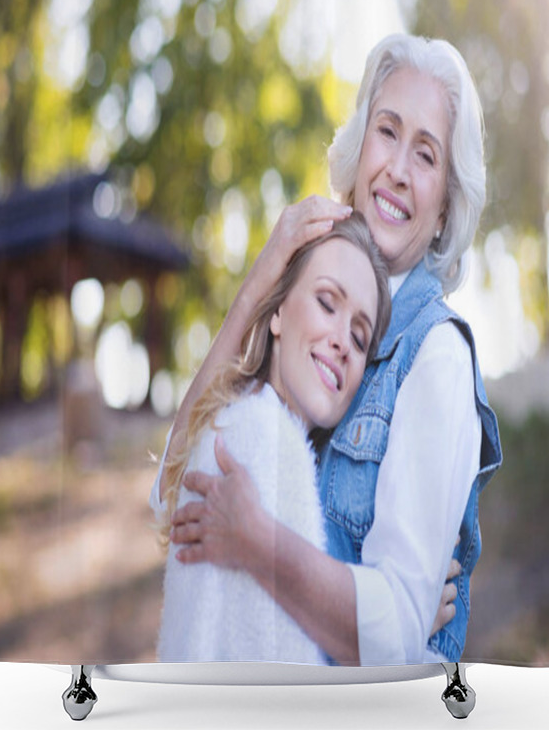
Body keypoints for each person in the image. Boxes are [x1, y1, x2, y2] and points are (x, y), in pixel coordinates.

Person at [160, 33, 503, 666]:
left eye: (426, 155)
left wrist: (259, 545)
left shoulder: (437, 359)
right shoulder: (311, 293)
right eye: (387, 131)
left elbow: (396, 636)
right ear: (358, 142)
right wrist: (262, 281)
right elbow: (177, 488)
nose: (397, 169)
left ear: (446, 204)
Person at [151, 214, 391, 663]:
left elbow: (165, 489)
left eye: (360, 338)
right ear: (277, 312)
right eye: (326, 302)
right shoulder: (264, 440)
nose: (342, 341)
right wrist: (397, 641)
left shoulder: (231, 420)